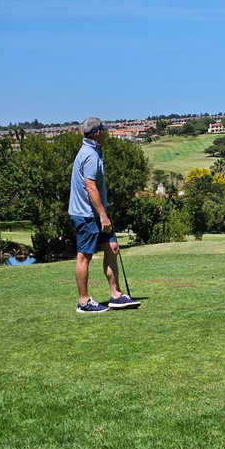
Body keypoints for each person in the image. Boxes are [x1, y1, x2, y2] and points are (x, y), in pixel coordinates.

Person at [69, 117, 140, 313]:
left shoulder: (92, 152)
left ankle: (116, 295)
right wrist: (103, 214)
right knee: (84, 257)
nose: (106, 133)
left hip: (96, 213)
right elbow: (90, 188)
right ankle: (84, 302)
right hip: (87, 215)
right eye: (104, 130)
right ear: (98, 133)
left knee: (112, 248)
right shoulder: (90, 155)